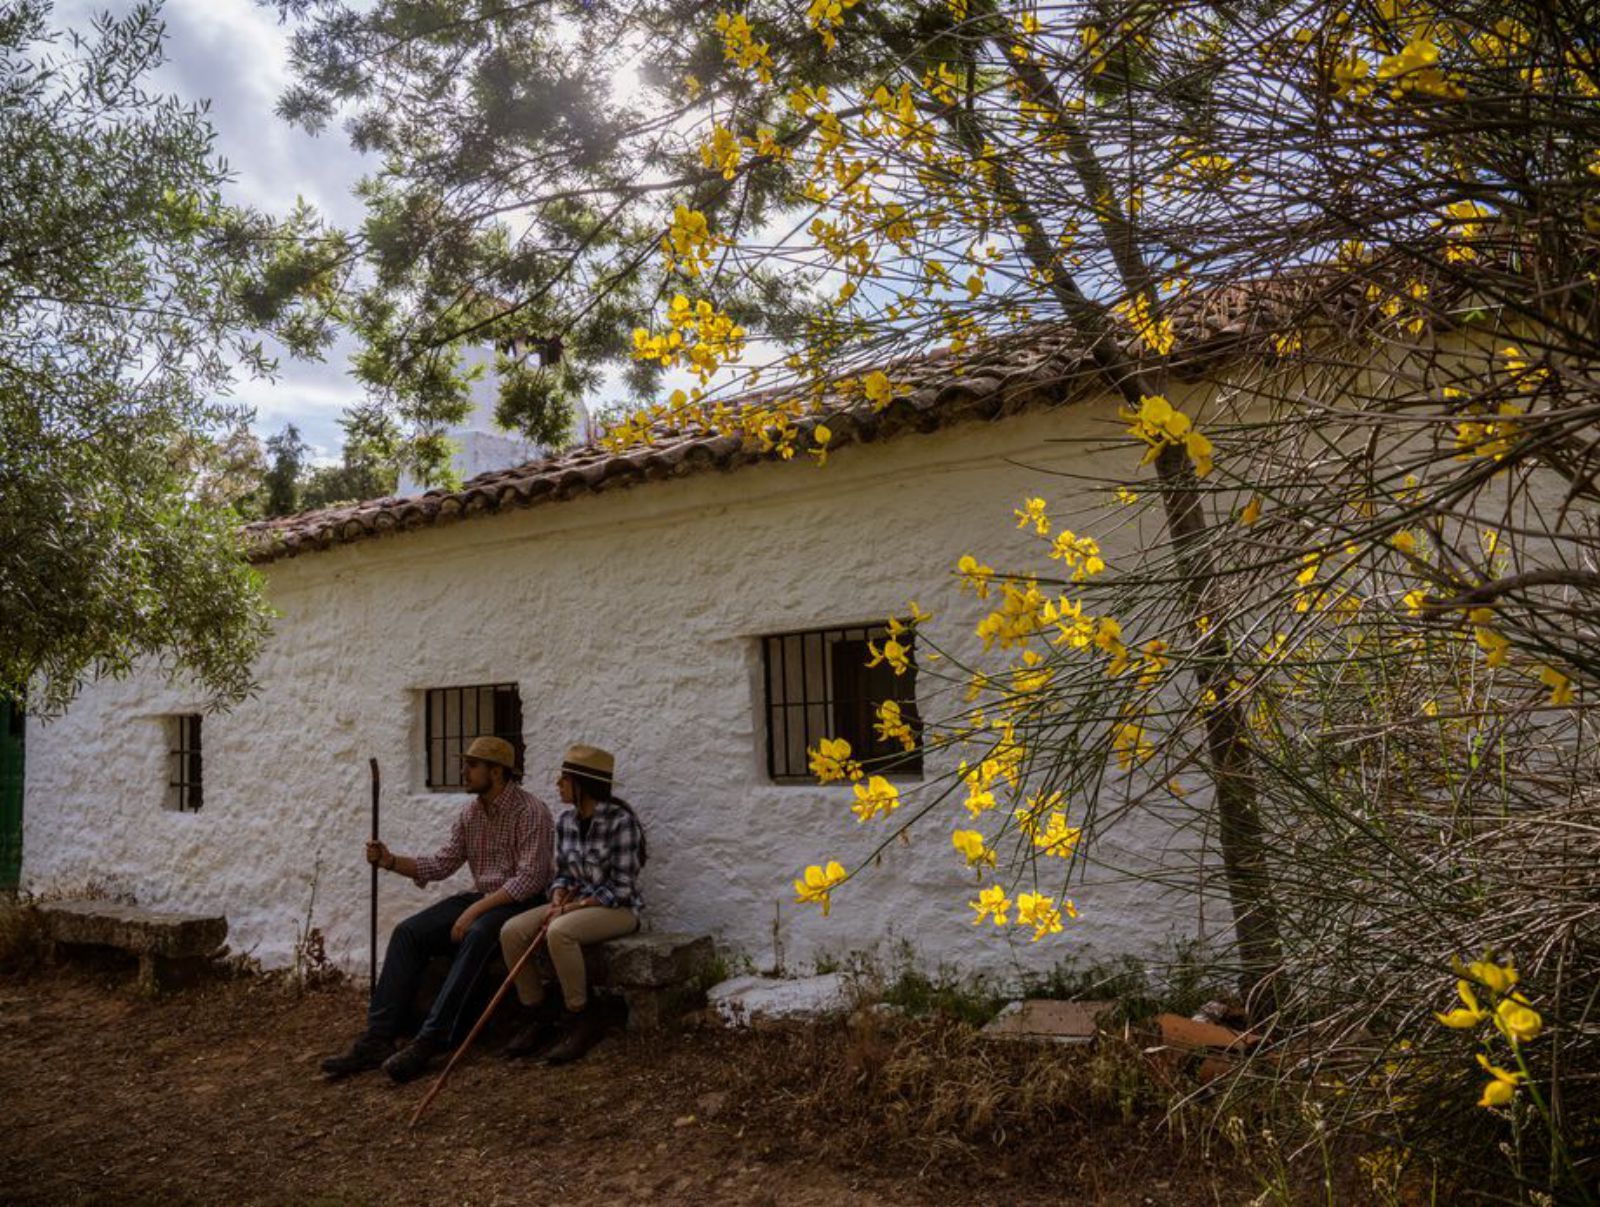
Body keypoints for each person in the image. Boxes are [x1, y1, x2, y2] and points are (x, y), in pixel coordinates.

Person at [321, 736, 554, 1083]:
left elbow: (530, 880)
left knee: (476, 935)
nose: (465, 770)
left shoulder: (531, 811)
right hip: (482, 898)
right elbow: (441, 864)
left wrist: (474, 912)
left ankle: (429, 1041)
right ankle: (378, 1037)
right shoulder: (471, 814)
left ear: (497, 771)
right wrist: (389, 861)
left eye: (472, 765)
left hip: (521, 903)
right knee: (408, 932)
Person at [499, 743, 644, 1065]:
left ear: (582, 783)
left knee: (560, 932)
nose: (558, 784)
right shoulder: (565, 821)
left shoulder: (621, 822)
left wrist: (570, 910)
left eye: (564, 778)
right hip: (576, 903)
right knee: (511, 931)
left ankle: (581, 1016)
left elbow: (621, 888)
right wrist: (557, 897)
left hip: (617, 909)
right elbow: (563, 874)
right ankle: (536, 1013)